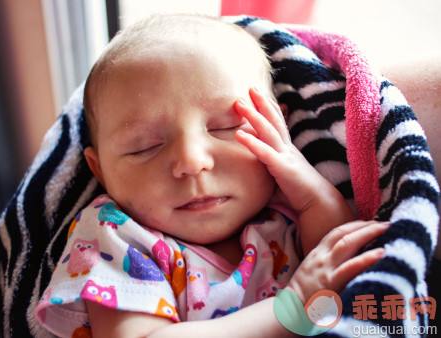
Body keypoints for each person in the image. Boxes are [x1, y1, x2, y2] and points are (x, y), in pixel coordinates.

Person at [35, 14, 389, 337]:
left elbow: (344, 253)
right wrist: (294, 306)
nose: (192, 161)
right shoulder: (116, 235)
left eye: (227, 127)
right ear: (100, 169)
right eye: (145, 147)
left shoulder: (283, 210)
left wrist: (308, 187)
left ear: (278, 128)